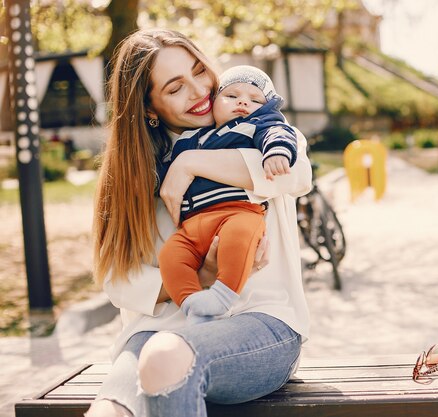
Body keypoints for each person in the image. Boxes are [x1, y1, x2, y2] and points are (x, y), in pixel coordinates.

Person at [87, 28, 312, 417]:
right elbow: (118, 280)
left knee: (165, 356)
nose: (199, 91)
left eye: (199, 71)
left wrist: (189, 164)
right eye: (175, 88)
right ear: (149, 108)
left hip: (259, 324)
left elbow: (293, 173)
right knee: (110, 410)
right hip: (156, 330)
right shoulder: (135, 172)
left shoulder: (259, 129)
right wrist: (199, 277)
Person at [157, 65, 298, 324]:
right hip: (192, 225)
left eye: (256, 100)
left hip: (238, 212)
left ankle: (222, 297)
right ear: (213, 103)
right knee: (171, 255)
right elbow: (164, 172)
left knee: (239, 237)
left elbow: (278, 133)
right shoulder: (190, 138)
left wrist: (277, 151)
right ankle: (192, 304)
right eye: (231, 96)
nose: (243, 101)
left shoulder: (257, 125)